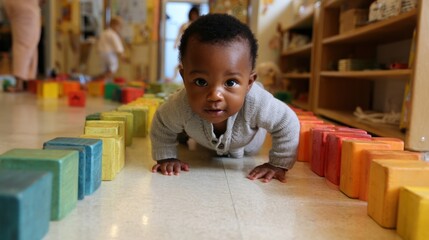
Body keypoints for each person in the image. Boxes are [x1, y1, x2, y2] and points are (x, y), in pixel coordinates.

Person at [150, 14, 300, 183]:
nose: (215, 95)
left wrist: (278, 164)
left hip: (247, 145)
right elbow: (162, 123)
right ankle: (184, 134)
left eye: (230, 82)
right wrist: (166, 157)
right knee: (178, 121)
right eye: (201, 82)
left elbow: (287, 122)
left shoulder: (257, 102)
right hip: (202, 139)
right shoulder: (180, 104)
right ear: (184, 78)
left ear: (249, 83)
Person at [3, 0, 44, 92]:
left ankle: (23, 82)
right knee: (27, 45)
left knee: (24, 45)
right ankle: (22, 82)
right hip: (27, 9)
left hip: (18, 9)